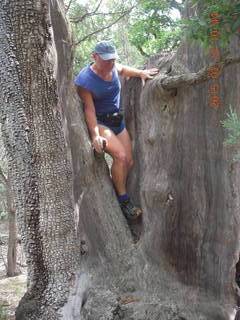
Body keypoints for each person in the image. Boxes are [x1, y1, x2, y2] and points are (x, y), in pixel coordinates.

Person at [75, 40, 158, 220]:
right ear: (94, 57)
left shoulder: (112, 67)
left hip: (117, 121)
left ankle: (118, 186)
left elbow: (122, 69)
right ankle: (123, 200)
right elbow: (89, 109)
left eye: (112, 59)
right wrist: (95, 135)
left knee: (128, 161)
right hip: (101, 123)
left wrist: (141, 73)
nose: (110, 63)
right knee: (120, 156)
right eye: (106, 60)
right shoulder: (84, 81)